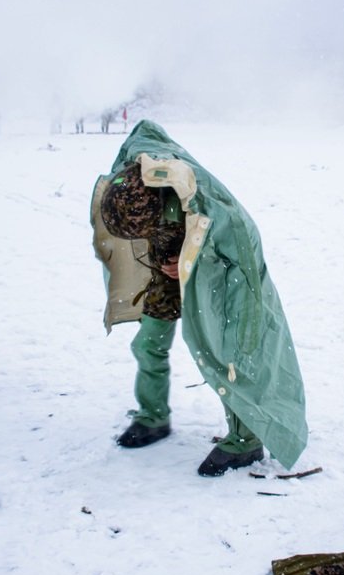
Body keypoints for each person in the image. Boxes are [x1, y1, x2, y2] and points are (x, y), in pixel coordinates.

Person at [90, 120, 308, 476]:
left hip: (214, 278)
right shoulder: (134, 175)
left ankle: (246, 441)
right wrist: (164, 261)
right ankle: (153, 417)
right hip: (163, 274)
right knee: (148, 344)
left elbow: (238, 252)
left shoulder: (210, 207)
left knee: (228, 354)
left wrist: (193, 263)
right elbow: (144, 130)